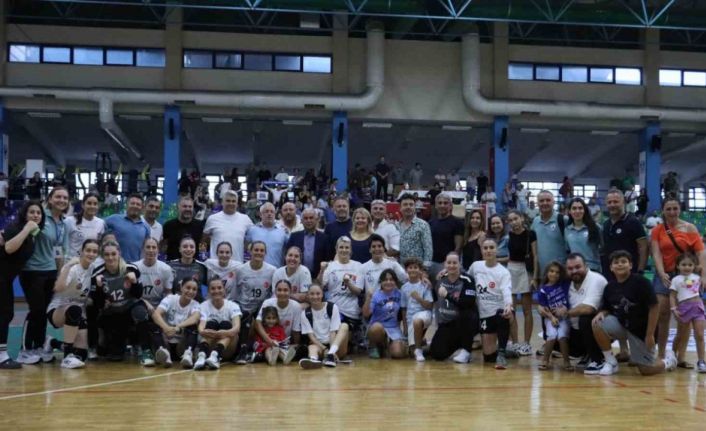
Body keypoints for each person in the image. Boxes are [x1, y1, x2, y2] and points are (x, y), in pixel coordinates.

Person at [591, 250, 677, 376]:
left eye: (623, 261)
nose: (620, 264)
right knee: (597, 323)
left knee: (646, 370)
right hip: (623, 326)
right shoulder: (610, 287)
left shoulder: (641, 282)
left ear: (630, 265)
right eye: (616, 262)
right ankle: (611, 362)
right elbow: (607, 307)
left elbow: (654, 307)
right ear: (611, 267)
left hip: (641, 331)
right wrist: (602, 313)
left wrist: (650, 335)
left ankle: (669, 361)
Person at [651, 196, 706, 362]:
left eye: (675, 208)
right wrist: (661, 272)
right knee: (663, 315)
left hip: (686, 276)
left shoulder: (690, 228)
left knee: (686, 316)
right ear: (663, 210)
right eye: (668, 209)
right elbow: (656, 253)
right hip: (665, 275)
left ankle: (679, 355)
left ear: (680, 209)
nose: (672, 212)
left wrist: (703, 275)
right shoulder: (658, 230)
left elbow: (701, 253)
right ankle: (661, 354)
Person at [18, 187, 69, 364]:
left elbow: (59, 251)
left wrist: (60, 275)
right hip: (32, 271)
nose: (61, 200)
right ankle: (25, 350)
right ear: (50, 198)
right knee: (36, 310)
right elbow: (22, 230)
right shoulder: (39, 215)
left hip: (51, 271)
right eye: (58, 196)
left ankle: (39, 346)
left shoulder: (63, 223)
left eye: (65, 198)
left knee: (44, 312)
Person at [91, 241, 153, 364]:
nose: (110, 258)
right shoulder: (97, 274)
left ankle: (146, 351)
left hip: (130, 309)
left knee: (140, 312)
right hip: (113, 314)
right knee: (115, 356)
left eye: (113, 254)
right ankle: (112, 344)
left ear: (119, 253)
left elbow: (138, 295)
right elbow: (98, 304)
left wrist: (135, 282)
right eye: (107, 254)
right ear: (102, 256)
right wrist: (98, 288)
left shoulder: (131, 269)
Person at [44, 239, 100, 369]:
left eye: (94, 251)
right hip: (57, 310)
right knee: (75, 310)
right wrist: (67, 266)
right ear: (81, 251)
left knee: (81, 355)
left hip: (78, 313)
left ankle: (52, 343)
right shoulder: (72, 267)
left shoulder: (93, 269)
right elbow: (58, 288)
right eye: (88, 250)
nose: (91, 254)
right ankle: (66, 357)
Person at [0, 201, 43, 368]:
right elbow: (9, 248)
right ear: (24, 214)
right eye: (32, 212)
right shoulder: (17, 228)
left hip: (6, 279)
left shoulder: (32, 235)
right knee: (4, 314)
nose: (35, 215)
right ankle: (2, 355)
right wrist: (26, 229)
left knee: (6, 314)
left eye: (38, 213)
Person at [468, 239, 513, 369]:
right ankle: (508, 352)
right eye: (485, 248)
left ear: (496, 250)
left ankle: (502, 353)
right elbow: (466, 278)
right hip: (484, 314)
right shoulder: (476, 266)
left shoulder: (503, 272)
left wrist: (508, 305)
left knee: (503, 314)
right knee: (488, 357)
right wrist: (446, 273)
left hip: (499, 311)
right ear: (481, 250)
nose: (488, 250)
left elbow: (506, 290)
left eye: (491, 247)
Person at [559, 253, 608, 375]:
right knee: (551, 327)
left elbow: (588, 309)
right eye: (570, 268)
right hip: (576, 330)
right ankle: (585, 353)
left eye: (578, 267)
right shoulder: (566, 283)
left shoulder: (596, 279)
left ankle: (598, 359)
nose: (574, 271)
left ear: (586, 266)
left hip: (601, 326)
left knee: (585, 318)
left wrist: (565, 313)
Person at [232, 241, 277, 364]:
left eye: (262, 250)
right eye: (256, 250)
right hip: (244, 306)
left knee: (264, 316)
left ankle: (264, 349)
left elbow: (273, 292)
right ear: (250, 251)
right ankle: (242, 351)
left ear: (265, 253)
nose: (259, 253)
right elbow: (235, 291)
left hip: (261, 307)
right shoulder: (240, 270)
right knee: (246, 316)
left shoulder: (272, 270)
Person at [429, 252, 478, 363]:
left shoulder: (467, 280)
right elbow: (435, 299)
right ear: (445, 264)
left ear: (460, 264)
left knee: (467, 314)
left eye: (455, 263)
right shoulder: (440, 278)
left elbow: (467, 303)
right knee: (437, 354)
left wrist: (447, 295)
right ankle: (458, 345)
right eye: (449, 263)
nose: (451, 265)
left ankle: (466, 350)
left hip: (463, 322)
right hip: (446, 323)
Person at [506, 210, 538, 357]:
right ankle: (515, 343)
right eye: (511, 220)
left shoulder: (531, 234)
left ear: (522, 218)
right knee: (511, 310)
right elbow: (506, 256)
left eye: (516, 218)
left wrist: (534, 277)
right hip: (511, 269)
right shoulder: (508, 235)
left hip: (525, 270)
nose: (514, 222)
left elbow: (535, 256)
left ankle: (526, 344)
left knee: (527, 310)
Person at [151, 278, 201, 368]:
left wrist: (178, 327)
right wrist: (166, 328)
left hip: (181, 345)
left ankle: (188, 353)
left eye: (194, 289)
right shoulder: (170, 299)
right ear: (181, 287)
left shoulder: (196, 304)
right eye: (188, 288)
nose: (191, 291)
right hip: (166, 341)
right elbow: (156, 313)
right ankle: (163, 351)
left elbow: (195, 318)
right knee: (155, 323)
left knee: (193, 326)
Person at [319, 236, 364, 335]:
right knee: (337, 332)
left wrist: (348, 283)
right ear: (336, 249)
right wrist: (322, 271)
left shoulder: (358, 266)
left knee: (342, 334)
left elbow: (358, 291)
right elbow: (320, 287)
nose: (344, 250)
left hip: (351, 311)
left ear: (351, 250)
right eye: (341, 247)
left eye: (347, 247)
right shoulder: (330, 266)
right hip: (333, 309)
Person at [669, 253, 706, 373]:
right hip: (684, 309)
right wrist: (674, 309)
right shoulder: (675, 280)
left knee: (699, 335)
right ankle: (672, 356)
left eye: (690, 265)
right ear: (678, 266)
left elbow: (703, 268)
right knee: (680, 335)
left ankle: (701, 361)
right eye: (683, 264)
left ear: (694, 266)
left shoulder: (698, 277)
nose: (687, 267)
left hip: (698, 308)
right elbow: (672, 296)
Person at [298, 284, 350, 369]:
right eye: (312, 294)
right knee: (311, 347)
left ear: (322, 294)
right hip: (321, 347)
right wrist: (325, 349)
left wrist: (331, 352)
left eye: (318, 293)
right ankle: (313, 360)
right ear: (308, 295)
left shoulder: (332, 307)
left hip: (336, 346)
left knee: (344, 326)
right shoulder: (305, 314)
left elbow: (333, 332)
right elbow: (311, 337)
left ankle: (331, 355)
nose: (315, 296)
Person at [194, 278, 242, 370]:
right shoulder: (203, 305)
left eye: (219, 288)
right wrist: (208, 332)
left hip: (227, 348)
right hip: (209, 342)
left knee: (226, 324)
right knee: (211, 324)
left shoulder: (233, 306)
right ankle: (202, 355)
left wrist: (223, 333)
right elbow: (201, 328)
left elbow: (237, 328)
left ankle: (216, 354)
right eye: (213, 288)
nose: (216, 291)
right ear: (208, 291)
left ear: (224, 290)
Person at [601, 189, 648, 278]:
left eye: (615, 202)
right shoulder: (606, 224)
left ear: (623, 202)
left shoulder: (634, 222)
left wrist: (640, 270)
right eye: (609, 202)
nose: (612, 205)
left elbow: (643, 247)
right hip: (609, 273)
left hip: (630, 273)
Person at [254, 279, 302, 364]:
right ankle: (271, 359)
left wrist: (295, 344)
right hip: (267, 340)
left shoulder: (296, 306)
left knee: (282, 349)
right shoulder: (268, 302)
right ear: (275, 291)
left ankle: (285, 358)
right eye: (279, 290)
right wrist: (269, 340)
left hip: (283, 342)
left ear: (290, 292)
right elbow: (257, 323)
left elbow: (296, 330)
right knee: (269, 349)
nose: (282, 293)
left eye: (285, 290)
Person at [536, 261, 572, 371]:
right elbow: (543, 308)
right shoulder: (543, 289)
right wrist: (552, 318)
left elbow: (569, 274)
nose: (554, 274)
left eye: (557, 272)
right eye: (551, 271)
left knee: (562, 336)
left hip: (564, 318)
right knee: (551, 335)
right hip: (550, 318)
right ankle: (545, 360)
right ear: (547, 272)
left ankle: (567, 361)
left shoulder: (564, 284)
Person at [362, 269, 406, 359]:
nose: (388, 282)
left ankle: (387, 346)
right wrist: (368, 298)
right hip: (378, 327)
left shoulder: (399, 294)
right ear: (381, 282)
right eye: (385, 280)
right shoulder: (375, 295)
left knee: (398, 353)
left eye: (391, 279)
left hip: (394, 328)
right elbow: (366, 314)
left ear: (395, 281)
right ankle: (374, 345)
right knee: (377, 327)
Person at [203, 189, 254, 263]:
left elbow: (253, 237)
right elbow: (204, 239)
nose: (231, 203)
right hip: (216, 264)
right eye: (228, 201)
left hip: (237, 264)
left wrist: (244, 245)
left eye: (233, 201)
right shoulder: (212, 218)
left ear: (237, 204)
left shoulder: (245, 219)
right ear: (222, 202)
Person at [400, 257, 433, 361]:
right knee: (411, 353)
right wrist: (405, 327)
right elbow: (404, 309)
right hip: (410, 318)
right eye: (410, 267)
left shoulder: (425, 285)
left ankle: (419, 349)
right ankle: (423, 343)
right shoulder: (404, 288)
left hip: (424, 314)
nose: (413, 270)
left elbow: (429, 306)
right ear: (406, 270)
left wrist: (418, 298)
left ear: (420, 270)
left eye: (415, 267)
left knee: (417, 320)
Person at [531, 191, 568, 281]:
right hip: (542, 274)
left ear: (553, 202)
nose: (545, 203)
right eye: (541, 201)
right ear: (537, 203)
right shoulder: (535, 221)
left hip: (560, 274)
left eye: (548, 200)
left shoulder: (563, 220)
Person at [104, 193, 150, 263]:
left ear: (142, 208)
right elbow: (99, 226)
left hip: (135, 265)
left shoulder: (146, 227)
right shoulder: (113, 219)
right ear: (127, 205)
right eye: (132, 203)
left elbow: (145, 249)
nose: (135, 206)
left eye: (138, 204)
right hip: (114, 264)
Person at [429, 193, 464, 280]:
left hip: (447, 264)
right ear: (436, 206)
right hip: (431, 263)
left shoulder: (457, 223)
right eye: (440, 203)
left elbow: (458, 247)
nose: (442, 205)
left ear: (451, 206)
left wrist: (450, 264)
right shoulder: (431, 223)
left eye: (445, 203)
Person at [134, 237, 174, 309]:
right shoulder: (135, 267)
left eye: (154, 247)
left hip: (159, 305)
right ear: (143, 249)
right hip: (139, 303)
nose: (151, 250)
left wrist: (164, 307)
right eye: (148, 247)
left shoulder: (166, 269)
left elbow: (168, 292)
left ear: (158, 250)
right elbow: (131, 293)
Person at [246, 202, 289, 267]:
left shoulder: (283, 231)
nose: (269, 214)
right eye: (266, 211)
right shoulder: (252, 230)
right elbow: (246, 247)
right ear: (260, 214)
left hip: (276, 270)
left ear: (275, 214)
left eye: (272, 212)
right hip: (256, 269)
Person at [162, 196, 205, 261]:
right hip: (172, 264)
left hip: (193, 265)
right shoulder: (168, 226)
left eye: (190, 207)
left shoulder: (199, 226)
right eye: (184, 206)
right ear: (178, 208)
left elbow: (203, 246)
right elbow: (163, 247)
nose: (187, 209)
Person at [286, 208, 327, 277]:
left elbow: (328, 259)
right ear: (301, 221)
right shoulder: (294, 236)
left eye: (311, 218)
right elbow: (287, 257)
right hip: (297, 276)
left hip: (318, 278)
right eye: (306, 218)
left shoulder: (324, 238)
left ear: (316, 220)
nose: (308, 220)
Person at [565, 198, 602, 272]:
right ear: (569, 211)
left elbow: (603, 248)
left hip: (593, 268)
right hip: (575, 270)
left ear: (585, 210)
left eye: (580, 208)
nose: (577, 211)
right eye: (574, 208)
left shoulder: (596, 227)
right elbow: (568, 250)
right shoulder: (567, 230)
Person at [64, 193, 106, 258]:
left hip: (92, 262)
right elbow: (60, 244)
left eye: (95, 204)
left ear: (98, 206)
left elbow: (100, 245)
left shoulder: (101, 223)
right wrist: (60, 260)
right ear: (83, 205)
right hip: (72, 261)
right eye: (89, 203)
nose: (92, 206)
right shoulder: (69, 221)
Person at [396, 193, 433, 267]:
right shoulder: (396, 226)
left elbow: (428, 249)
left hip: (418, 269)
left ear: (415, 207)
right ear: (400, 207)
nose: (408, 207)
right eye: (405, 204)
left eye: (411, 205)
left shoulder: (423, 225)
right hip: (401, 268)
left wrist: (425, 268)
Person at [167, 236, 207, 302]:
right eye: (185, 246)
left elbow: (208, 289)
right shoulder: (170, 266)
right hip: (175, 303)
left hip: (196, 304)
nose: (188, 249)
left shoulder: (202, 267)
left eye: (192, 247)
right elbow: (166, 290)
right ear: (179, 249)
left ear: (195, 249)